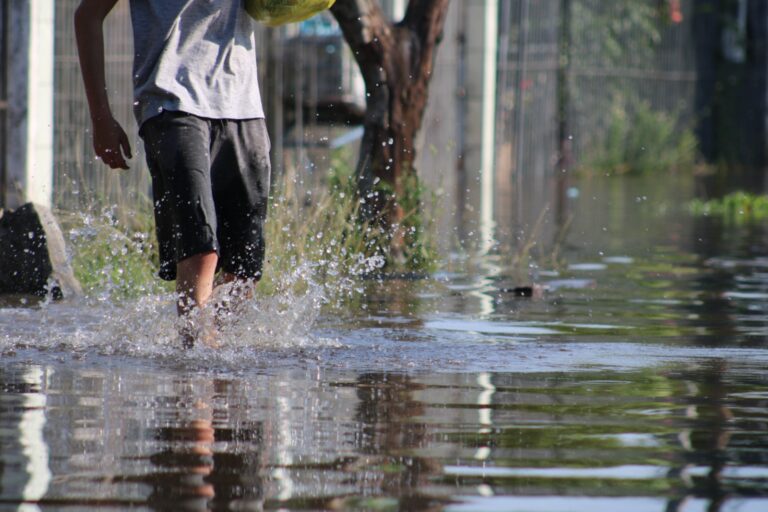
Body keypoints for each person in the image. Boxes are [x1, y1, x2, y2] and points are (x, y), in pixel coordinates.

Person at [75, 0, 271, 347]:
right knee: (201, 248)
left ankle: (220, 367)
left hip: (242, 104)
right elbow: (88, 15)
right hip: (171, 102)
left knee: (244, 268)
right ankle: (194, 369)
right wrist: (100, 117)